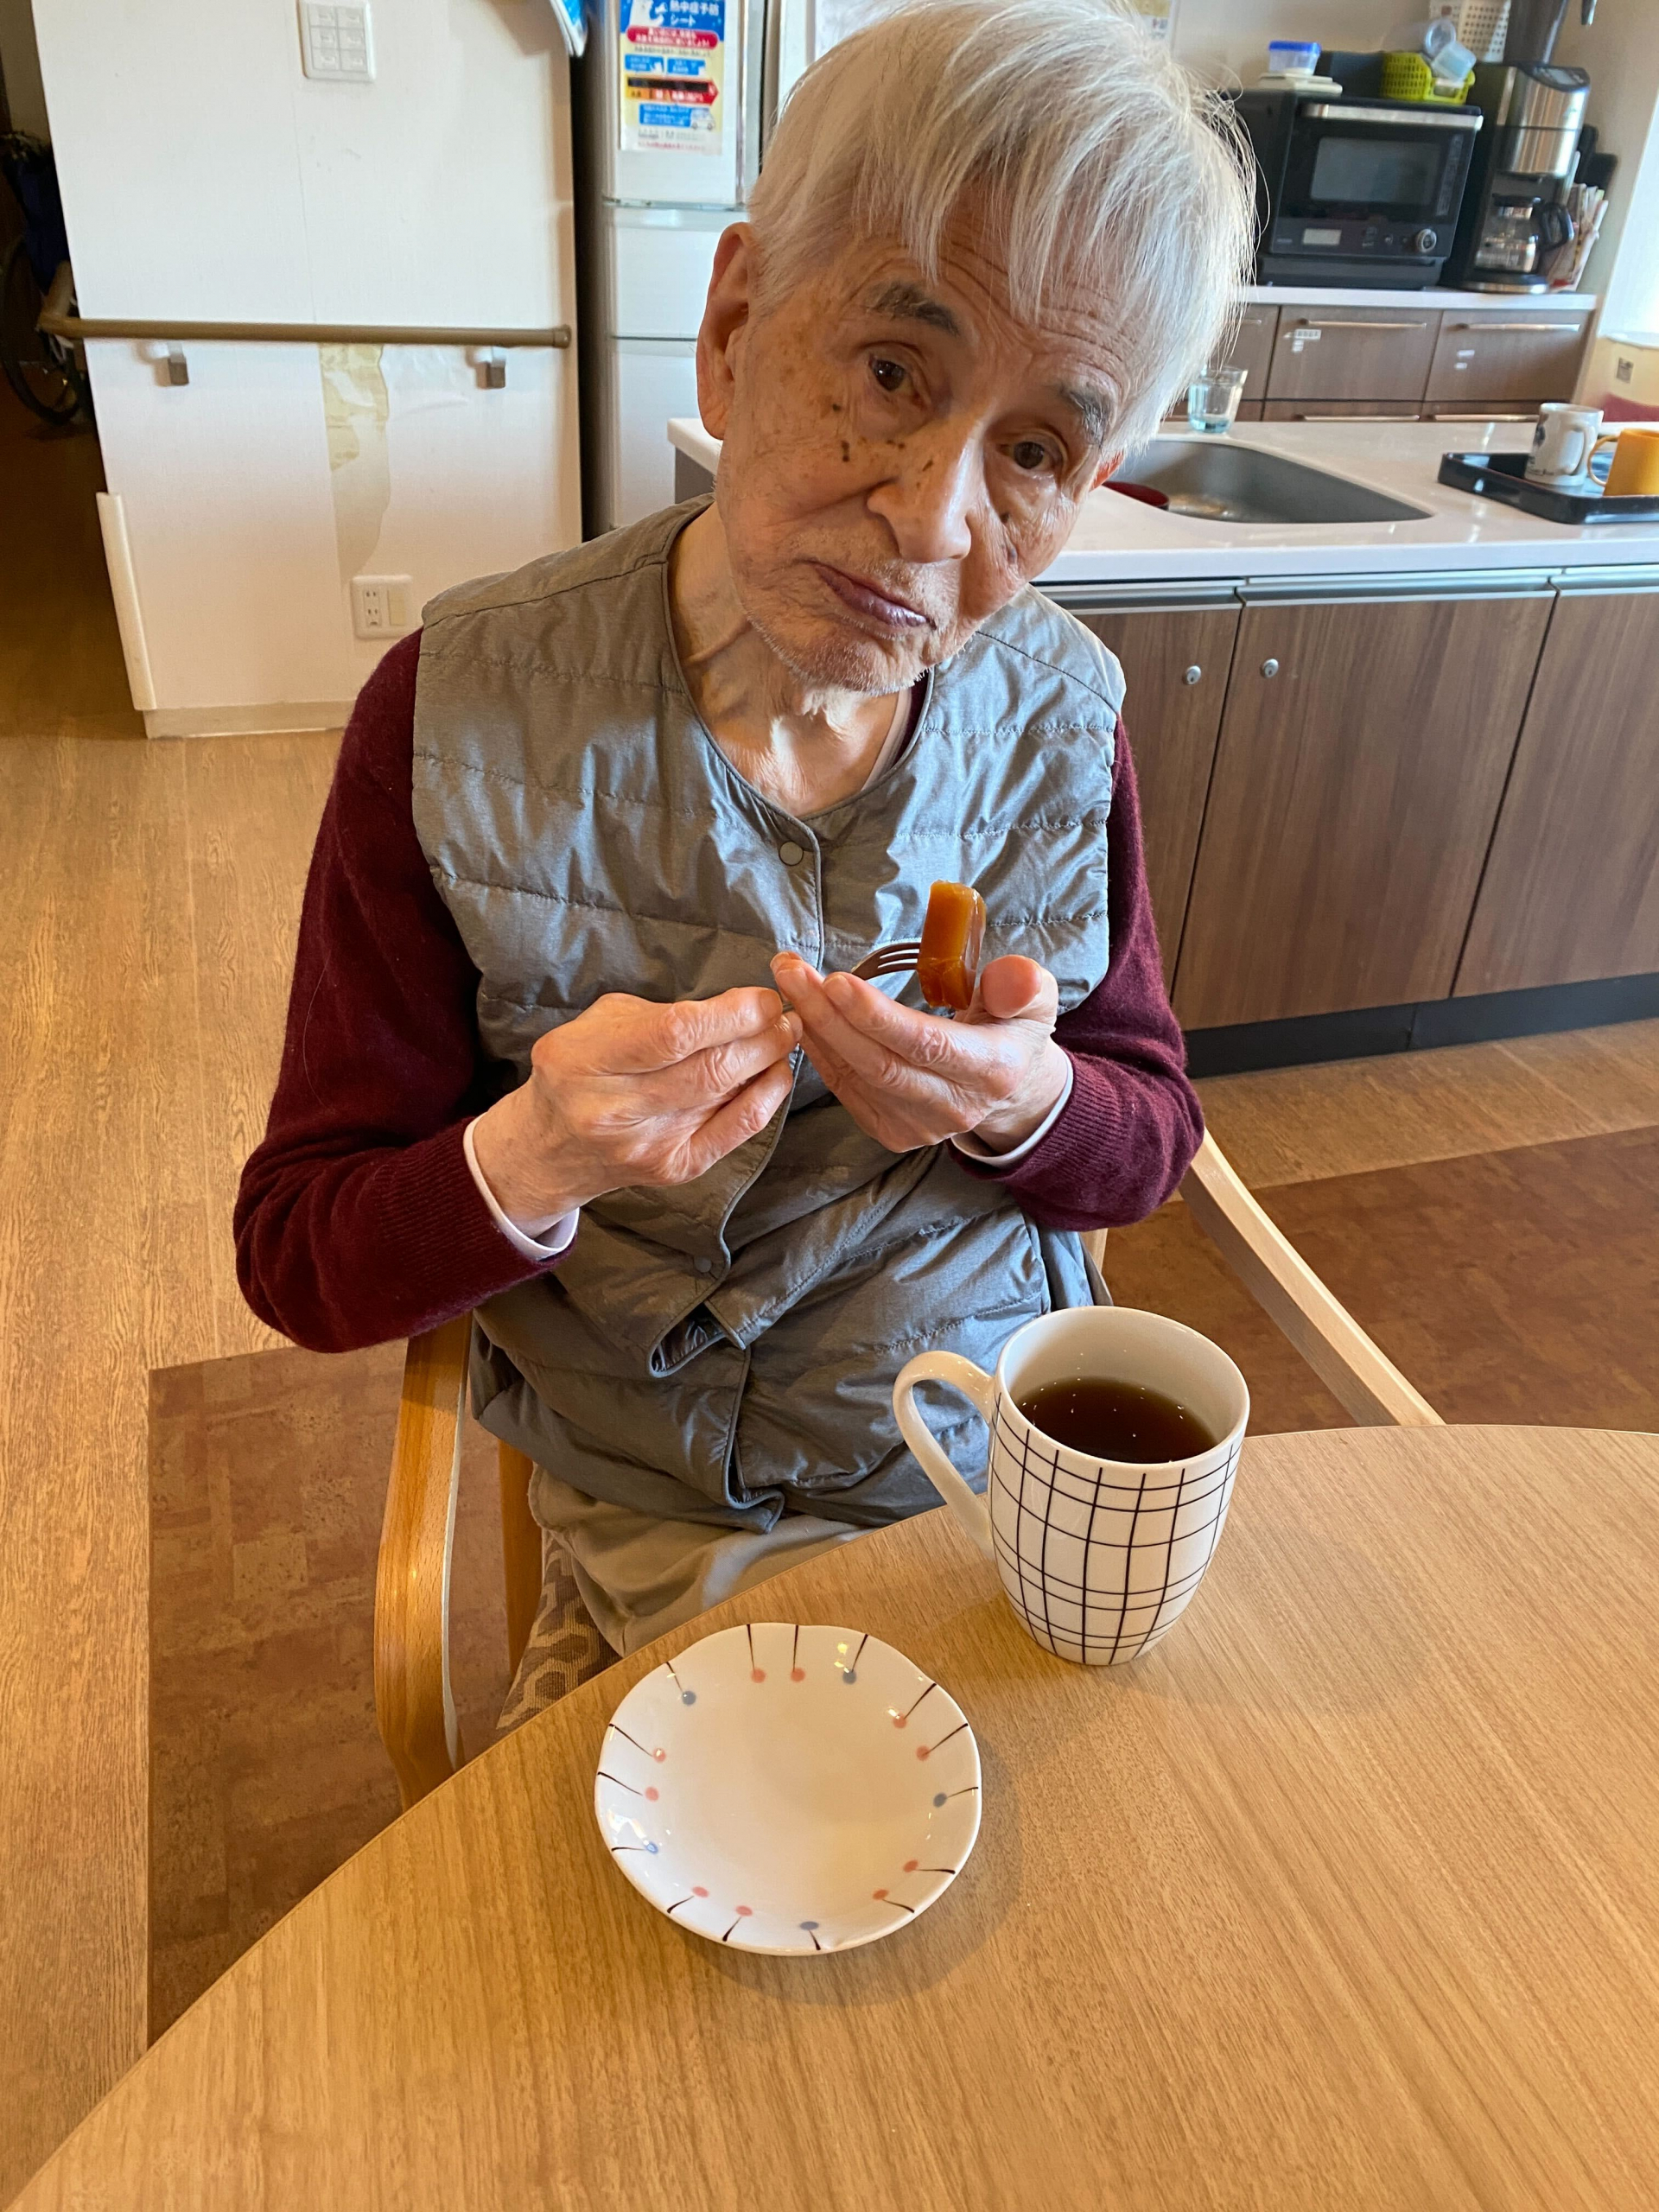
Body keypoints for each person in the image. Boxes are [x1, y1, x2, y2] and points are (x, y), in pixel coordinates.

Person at [236, 0, 1255, 1675]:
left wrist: (1024, 1100)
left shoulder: (1063, 717)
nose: (933, 522)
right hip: (658, 1525)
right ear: (731, 328)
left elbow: (1148, 1132)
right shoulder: (457, 712)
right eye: (890, 372)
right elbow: (303, 1254)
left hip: (989, 1483)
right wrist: (539, 1151)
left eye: (1035, 450)